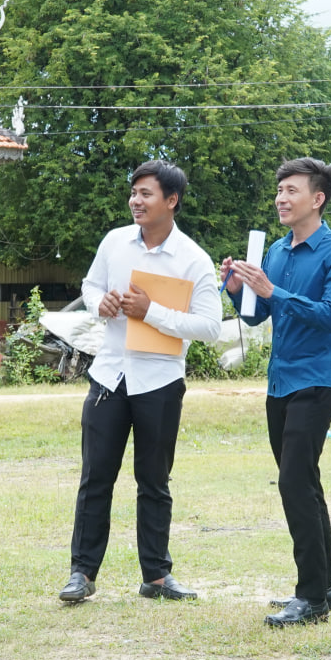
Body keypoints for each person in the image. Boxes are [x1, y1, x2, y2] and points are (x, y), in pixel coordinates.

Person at [58, 160, 222, 603]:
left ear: (172, 200)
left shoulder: (193, 259)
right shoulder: (114, 242)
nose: (136, 200)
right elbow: (90, 286)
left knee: (154, 481)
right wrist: (101, 303)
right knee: (95, 478)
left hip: (160, 381)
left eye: (146, 193)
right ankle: (81, 574)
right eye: (134, 192)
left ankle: (157, 576)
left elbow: (210, 326)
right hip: (109, 376)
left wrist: (152, 312)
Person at [220, 158, 331, 627]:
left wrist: (273, 291)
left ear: (318, 198)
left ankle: (309, 596)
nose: (281, 198)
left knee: (294, 481)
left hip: (317, 380)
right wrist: (237, 288)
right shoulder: (275, 250)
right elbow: (256, 315)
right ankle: (325, 587)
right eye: (279, 190)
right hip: (280, 383)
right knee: (304, 481)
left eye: (292, 190)